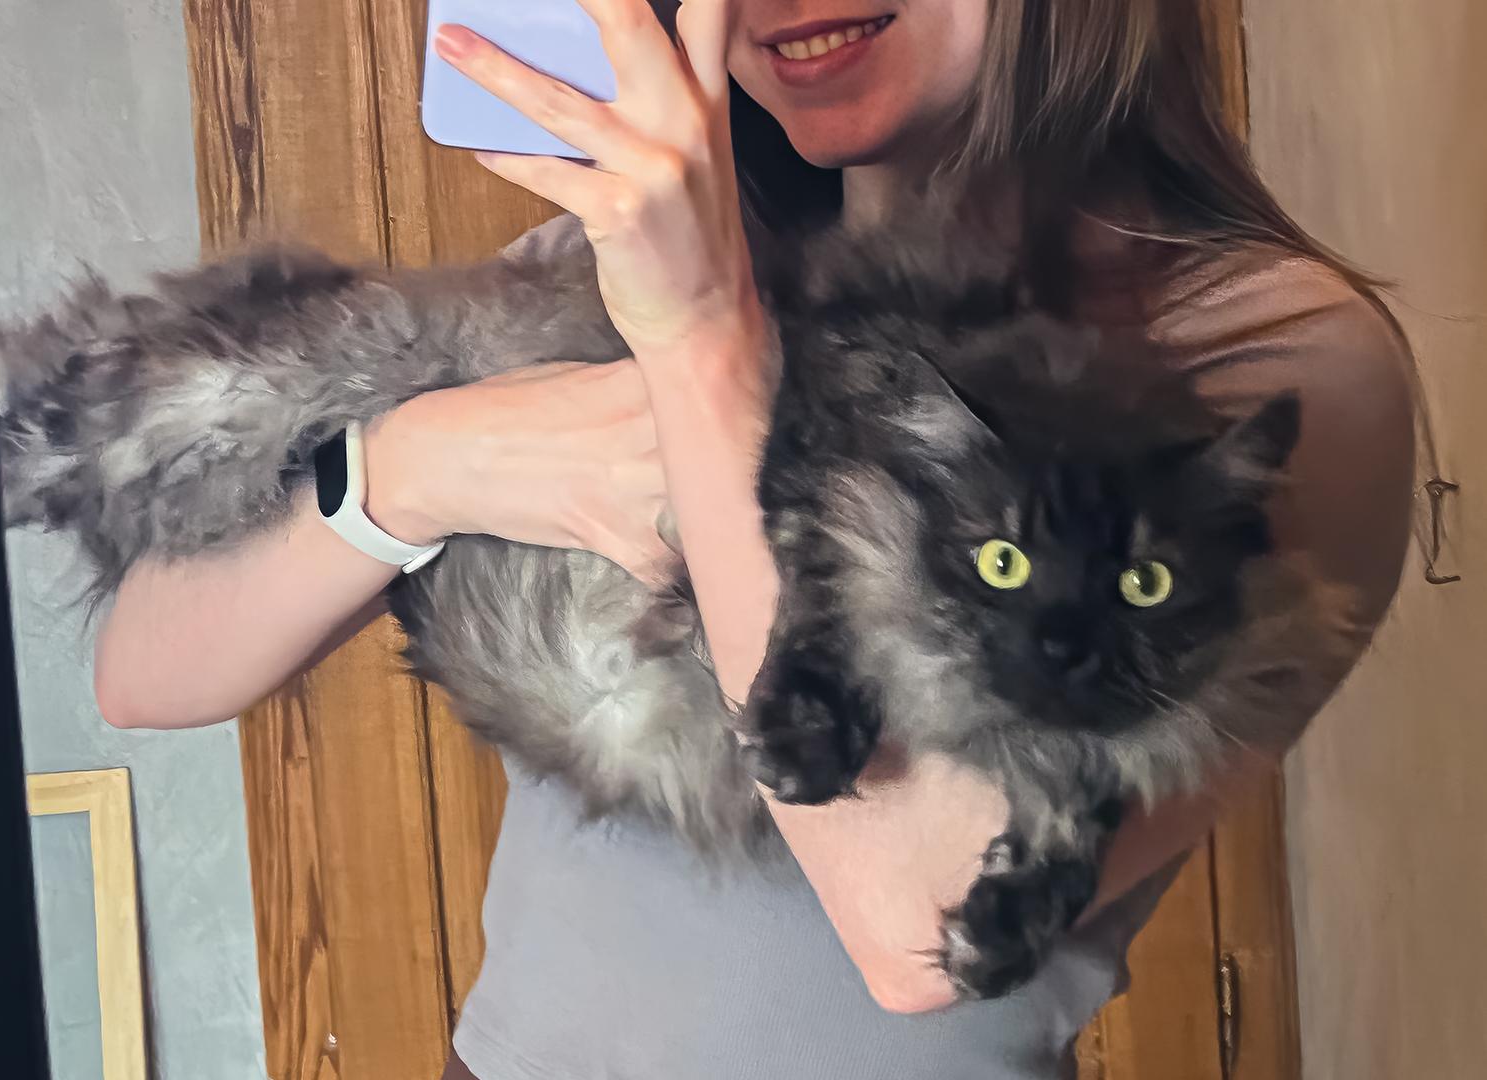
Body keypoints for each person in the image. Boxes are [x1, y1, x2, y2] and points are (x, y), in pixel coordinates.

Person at [93, 1, 1416, 1076]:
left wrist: (701, 339)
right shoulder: (640, 256)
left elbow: (915, 931)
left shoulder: (1268, 359)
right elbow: (147, 670)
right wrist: (412, 469)